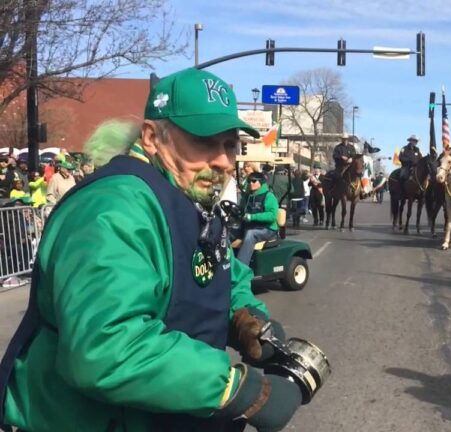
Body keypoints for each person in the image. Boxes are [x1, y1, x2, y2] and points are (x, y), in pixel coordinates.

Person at [0, 67, 302, 432]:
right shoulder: (112, 209)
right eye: (204, 141)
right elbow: (107, 348)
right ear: (151, 137)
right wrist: (237, 389)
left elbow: (222, 272)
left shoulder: (188, 197)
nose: (223, 160)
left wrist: (247, 318)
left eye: (230, 145)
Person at [238, 171, 279, 265]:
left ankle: (241, 268)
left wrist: (252, 217)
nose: (250, 183)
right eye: (249, 181)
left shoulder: (268, 196)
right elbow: (241, 210)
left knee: (251, 234)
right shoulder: (247, 196)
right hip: (251, 226)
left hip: (267, 229)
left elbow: (272, 216)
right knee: (227, 232)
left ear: (261, 182)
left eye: (254, 181)